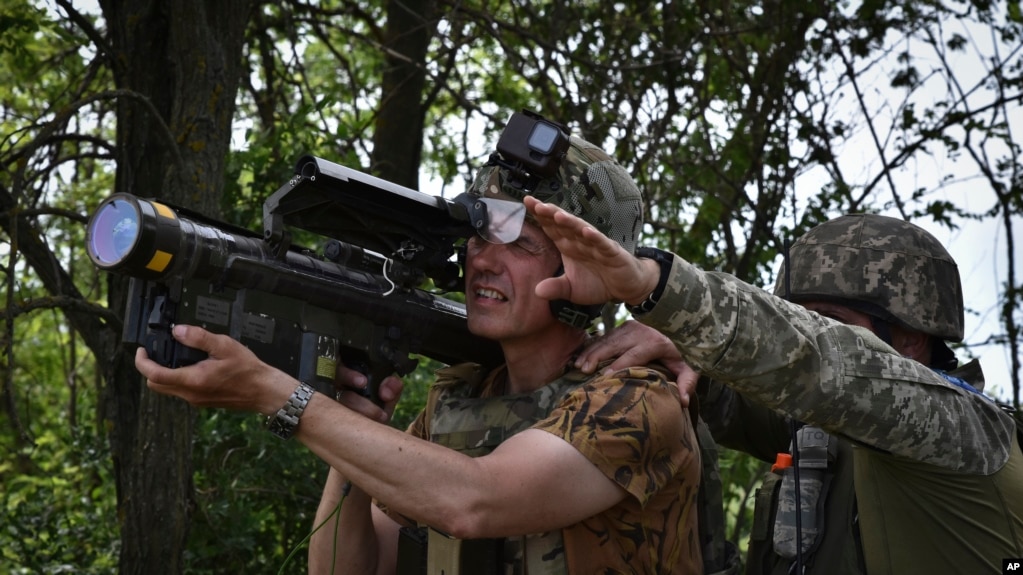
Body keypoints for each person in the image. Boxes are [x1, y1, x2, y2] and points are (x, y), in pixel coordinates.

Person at [136, 113, 703, 574]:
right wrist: (351, 427)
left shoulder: (637, 401)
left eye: (519, 243)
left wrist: (278, 397)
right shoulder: (458, 399)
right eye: (480, 234)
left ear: (587, 271)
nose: (483, 258)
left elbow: (477, 500)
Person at [525, 199, 1023, 575]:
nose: (807, 332)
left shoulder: (965, 434)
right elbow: (743, 398)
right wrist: (680, 350)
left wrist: (658, 289)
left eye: (828, 322)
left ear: (911, 338)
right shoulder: (830, 436)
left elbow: (820, 365)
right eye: (796, 317)